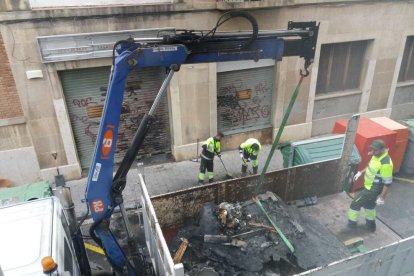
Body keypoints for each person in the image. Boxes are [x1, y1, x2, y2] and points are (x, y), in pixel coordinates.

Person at [347, 139, 393, 232]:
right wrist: (361, 172)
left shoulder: (386, 164)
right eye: (372, 149)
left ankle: (351, 226)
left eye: (375, 150)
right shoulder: (376, 155)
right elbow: (371, 167)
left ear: (382, 149)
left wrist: (382, 197)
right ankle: (371, 226)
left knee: (355, 204)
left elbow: (387, 183)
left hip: (373, 189)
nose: (373, 152)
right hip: (369, 186)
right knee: (369, 206)